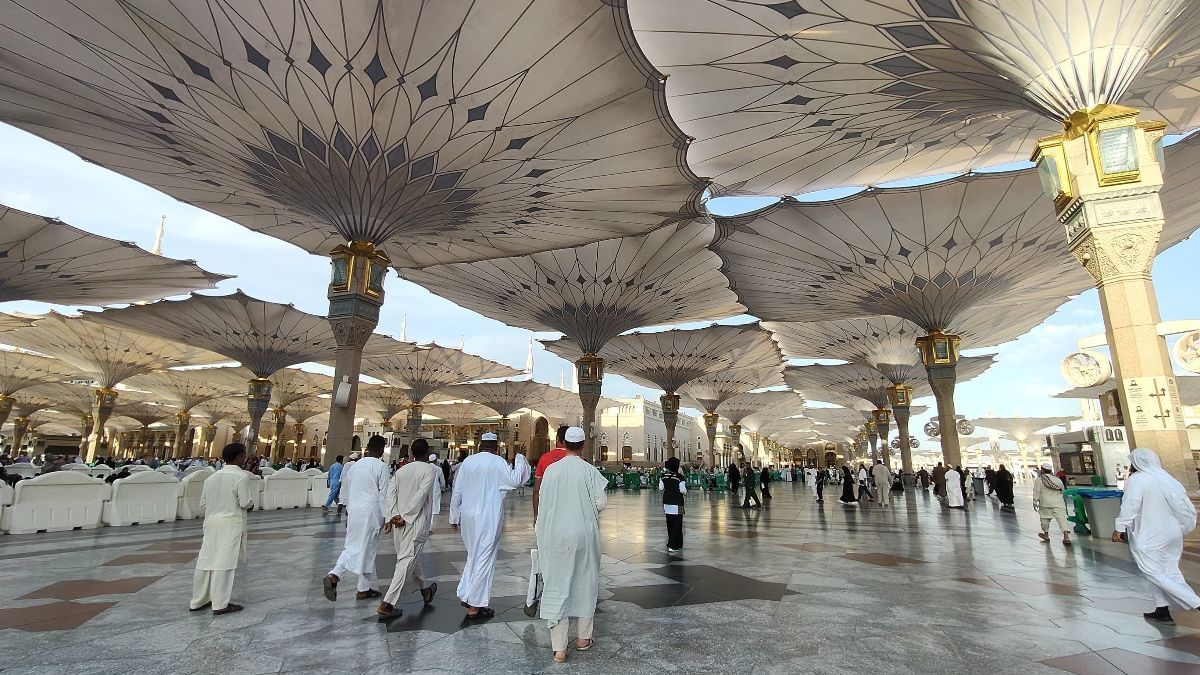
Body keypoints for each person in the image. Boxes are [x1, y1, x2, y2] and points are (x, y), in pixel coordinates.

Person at [535, 427, 608, 663]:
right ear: (583, 445)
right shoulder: (589, 471)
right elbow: (601, 503)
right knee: (586, 581)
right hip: (584, 533)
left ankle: (559, 649)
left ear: (562, 444)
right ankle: (583, 638)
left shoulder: (552, 471)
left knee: (557, 583)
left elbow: (543, 501)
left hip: (556, 534)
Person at [1113, 448, 1200, 625]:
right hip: (1172, 533)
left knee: (1153, 572)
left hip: (1149, 535)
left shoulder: (1137, 479)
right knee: (1169, 571)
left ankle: (1197, 603)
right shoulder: (1167, 479)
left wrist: (1119, 528)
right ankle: (1162, 610)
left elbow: (1131, 505)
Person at [450, 432, 530, 619]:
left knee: (474, 555)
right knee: (484, 558)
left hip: (468, 516)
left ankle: (467, 593)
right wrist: (519, 456)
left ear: (480, 446)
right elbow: (516, 480)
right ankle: (475, 605)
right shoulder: (497, 462)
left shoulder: (468, 462)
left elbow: (457, 490)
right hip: (488, 516)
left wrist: (454, 516)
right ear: (496, 448)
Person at [189, 443, 255, 615]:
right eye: (243, 455)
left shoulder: (212, 477)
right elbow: (245, 502)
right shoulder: (241, 477)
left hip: (211, 523)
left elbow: (203, 504)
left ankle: (198, 600)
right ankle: (219, 603)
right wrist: (251, 505)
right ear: (239, 457)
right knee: (224, 563)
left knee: (205, 560)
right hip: (231, 523)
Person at [376, 448, 442, 618]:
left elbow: (390, 495)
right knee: (406, 560)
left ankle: (426, 590)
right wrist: (405, 516)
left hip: (399, 521)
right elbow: (421, 494)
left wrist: (393, 515)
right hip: (415, 521)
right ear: (426, 453)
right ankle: (388, 603)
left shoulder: (401, 470)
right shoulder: (429, 470)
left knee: (411, 557)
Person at [323, 436, 389, 602]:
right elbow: (384, 495)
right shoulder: (381, 466)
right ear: (381, 449)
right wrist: (387, 516)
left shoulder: (354, 466)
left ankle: (363, 588)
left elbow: (346, 489)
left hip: (354, 510)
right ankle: (335, 575)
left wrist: (345, 509)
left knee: (357, 546)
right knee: (366, 547)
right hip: (371, 512)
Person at [533, 425, 569, 523]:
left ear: (557, 439)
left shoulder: (544, 458)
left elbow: (537, 490)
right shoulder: (579, 461)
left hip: (547, 510)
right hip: (569, 512)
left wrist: (536, 515)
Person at [1033, 462, 1071, 545]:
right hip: (1058, 503)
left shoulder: (1039, 480)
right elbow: (1062, 490)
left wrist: (1035, 501)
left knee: (1044, 519)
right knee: (1062, 519)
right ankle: (1066, 537)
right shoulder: (1057, 480)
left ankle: (1046, 535)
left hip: (1045, 503)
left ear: (1042, 470)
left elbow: (1036, 491)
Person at [659, 457, 686, 552]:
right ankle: (674, 545)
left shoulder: (663, 476)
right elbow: (683, 490)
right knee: (677, 524)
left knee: (670, 523)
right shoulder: (680, 477)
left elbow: (661, 488)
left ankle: (674, 542)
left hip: (666, 502)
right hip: (677, 503)